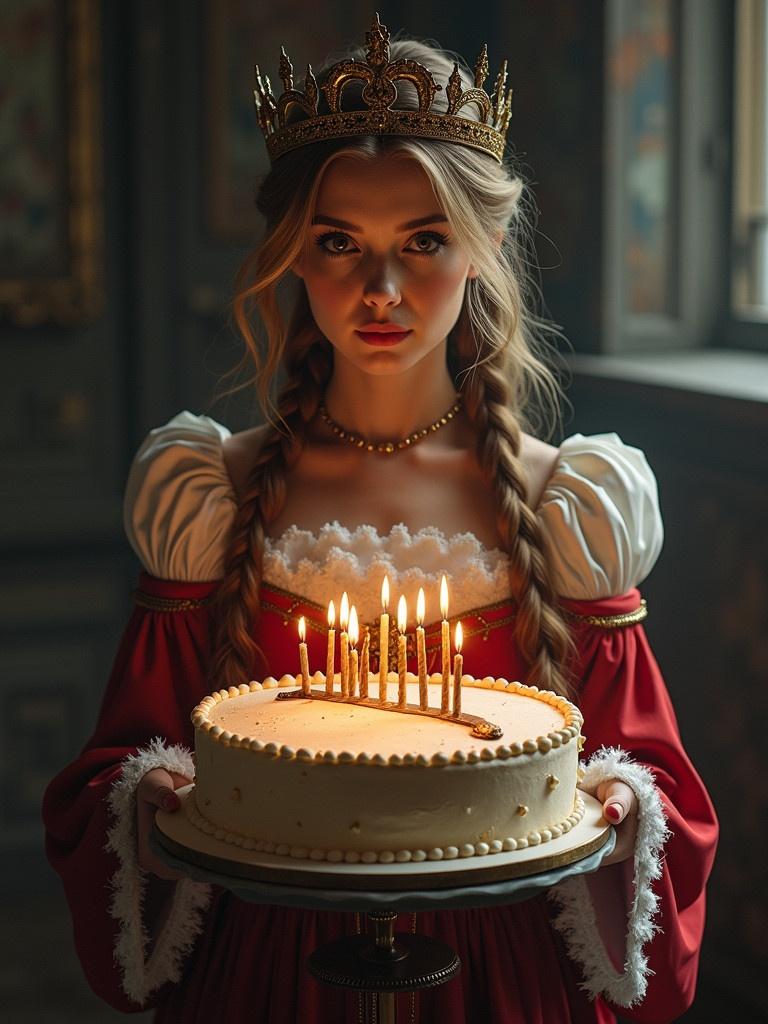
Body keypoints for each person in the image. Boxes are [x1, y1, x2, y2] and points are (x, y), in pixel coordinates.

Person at [42, 16, 718, 1023]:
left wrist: (618, 809)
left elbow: (655, 778)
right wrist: (158, 797)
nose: (381, 290)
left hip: (501, 966)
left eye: (424, 242)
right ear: (290, 257)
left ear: (485, 248)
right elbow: (118, 767)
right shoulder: (208, 499)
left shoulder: (568, 508)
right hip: (272, 961)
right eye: (338, 243)